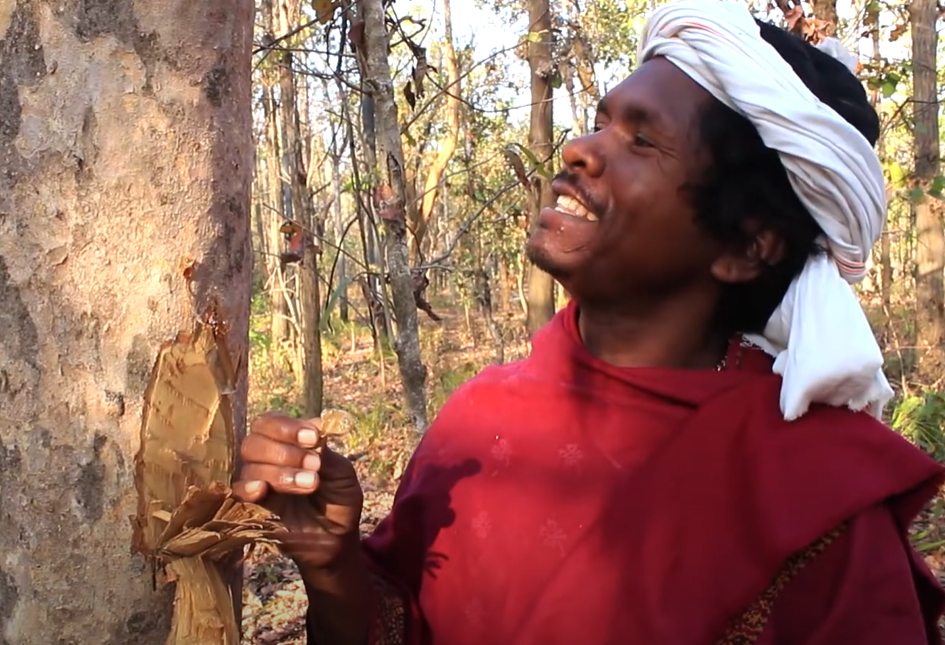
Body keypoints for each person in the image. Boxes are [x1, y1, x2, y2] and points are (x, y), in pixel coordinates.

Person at [235, 1, 945, 643]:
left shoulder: (818, 496)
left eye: (642, 142)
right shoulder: (479, 415)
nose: (578, 148)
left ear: (745, 245)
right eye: (602, 120)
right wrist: (333, 564)